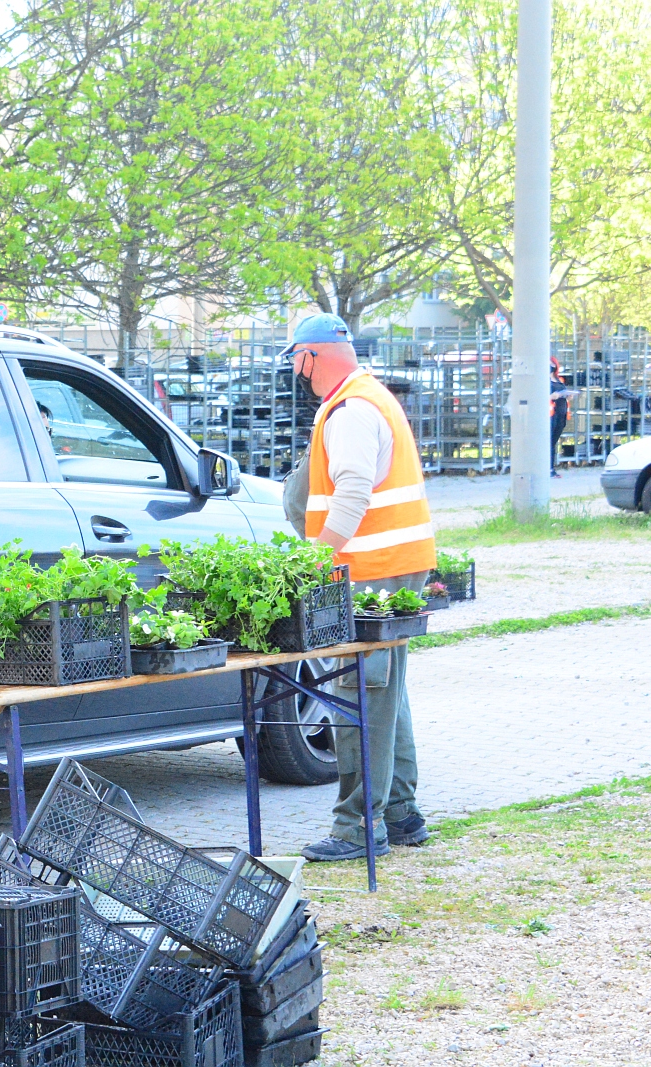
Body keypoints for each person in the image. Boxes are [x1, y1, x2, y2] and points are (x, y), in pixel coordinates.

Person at [280, 314, 436, 864]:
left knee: (359, 695)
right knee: (387, 691)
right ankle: (401, 813)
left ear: (311, 356)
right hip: (395, 566)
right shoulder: (372, 396)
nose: (298, 375)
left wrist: (318, 560)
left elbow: (352, 491)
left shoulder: (350, 410)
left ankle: (356, 827)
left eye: (297, 361)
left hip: (368, 571)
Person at [550, 358, 572, 476]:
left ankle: (551, 468)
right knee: (548, 441)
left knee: (553, 442)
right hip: (551, 414)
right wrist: (552, 396)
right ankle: (548, 469)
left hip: (561, 413)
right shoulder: (543, 381)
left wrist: (567, 396)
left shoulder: (559, 379)